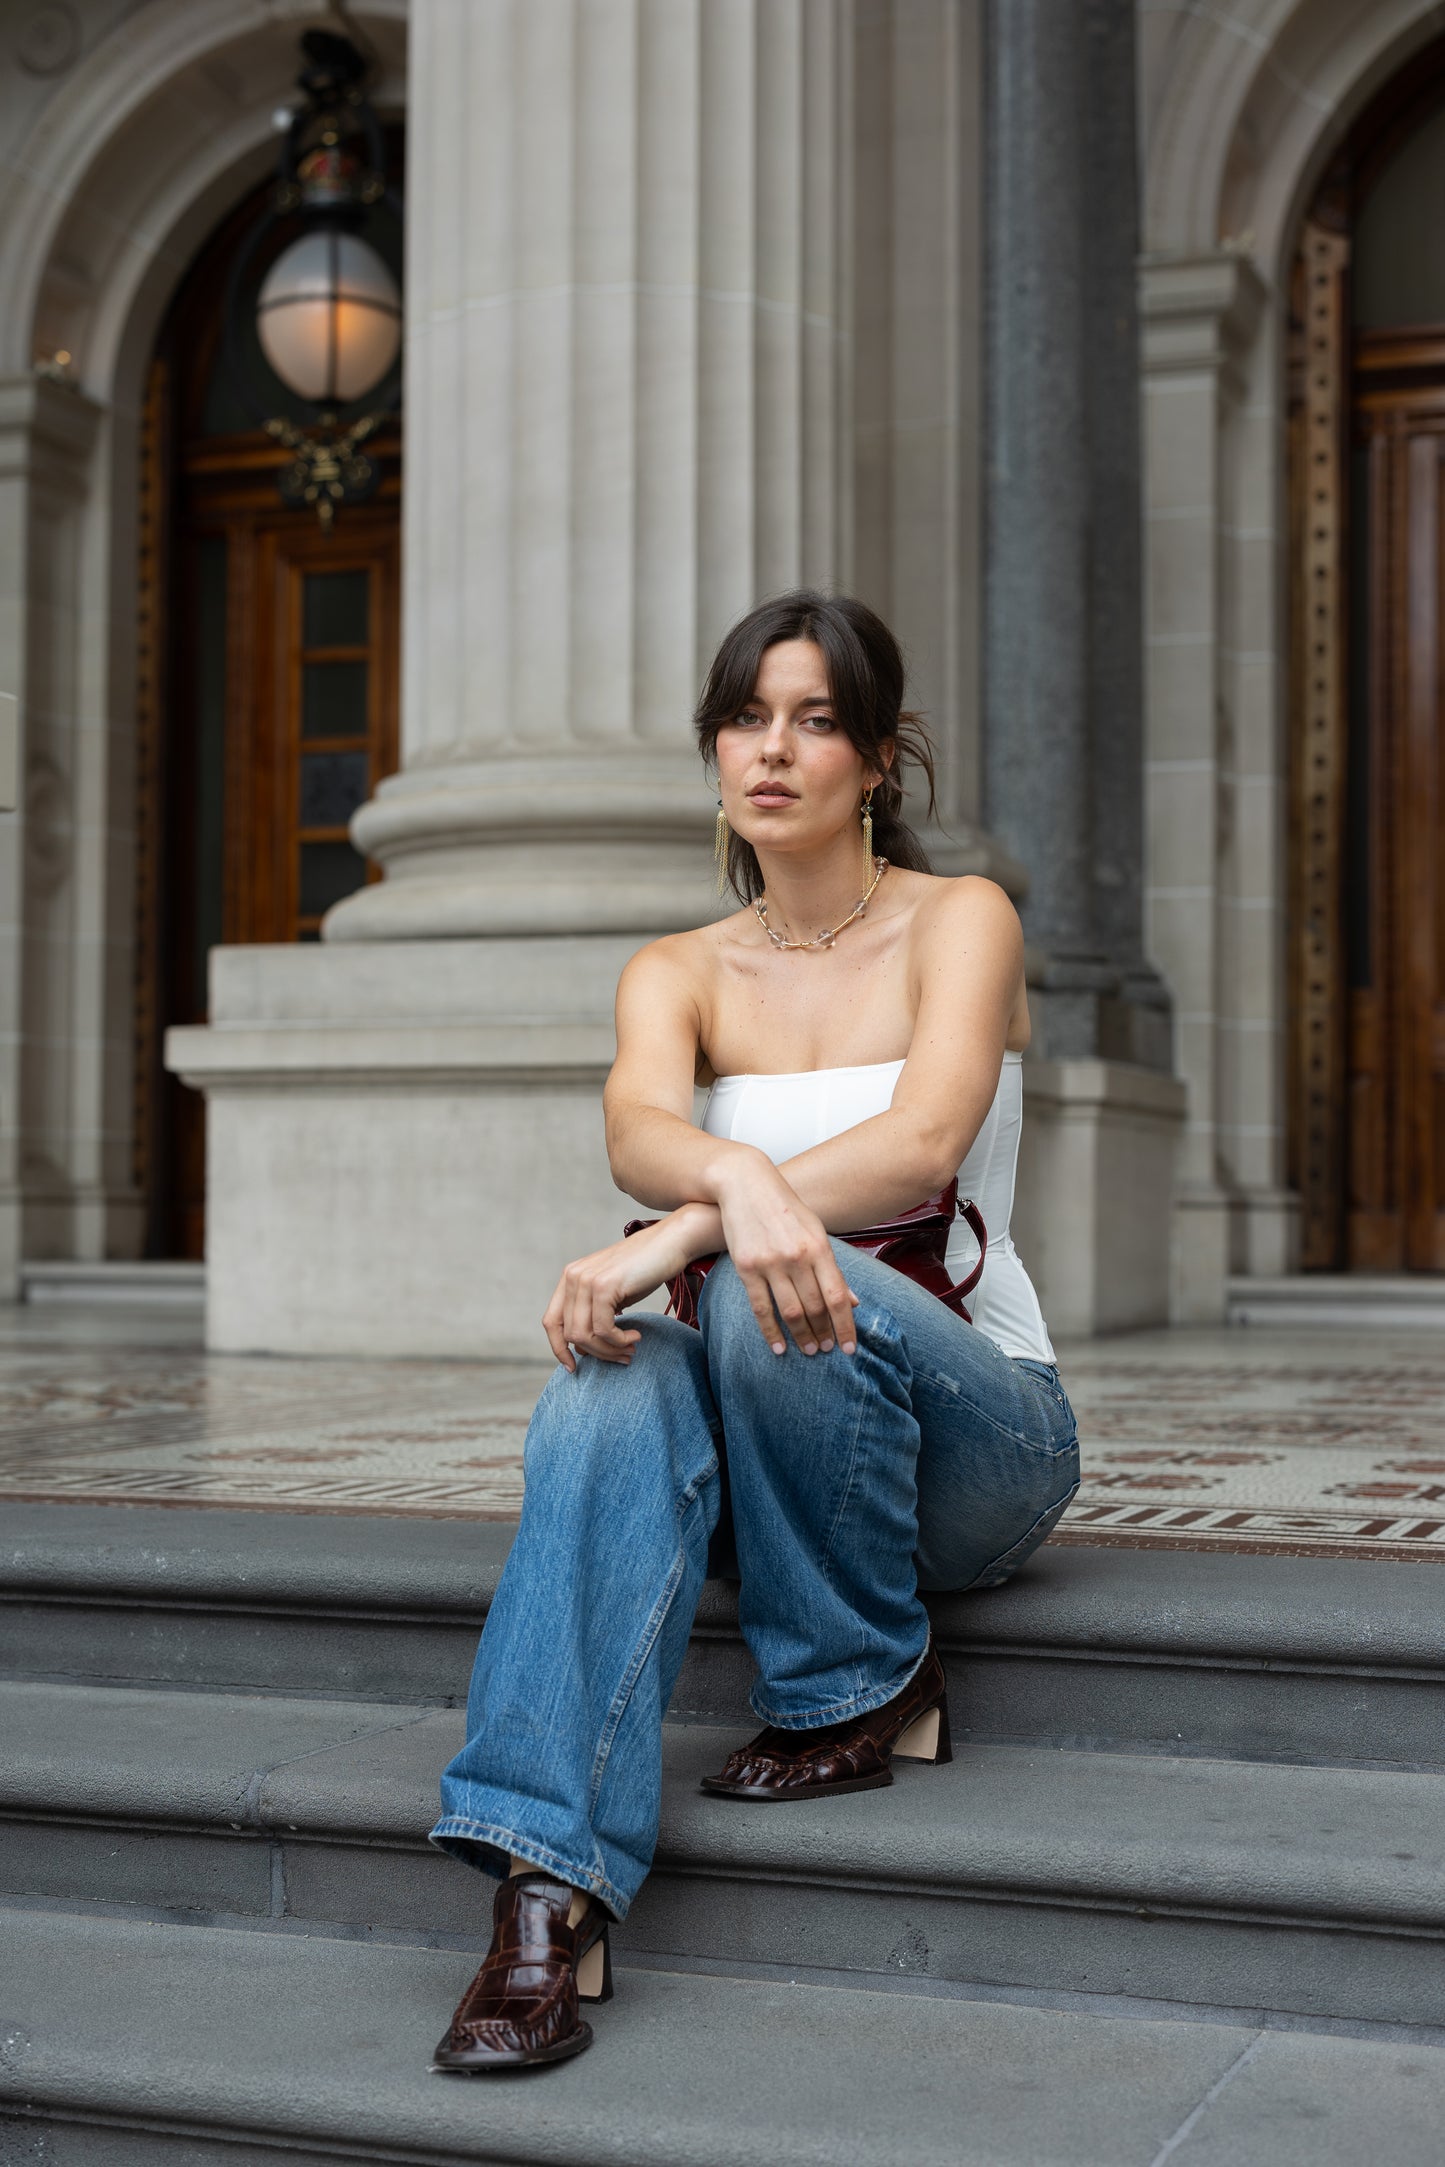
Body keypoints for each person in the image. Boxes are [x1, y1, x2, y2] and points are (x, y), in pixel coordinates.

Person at [428, 590, 1079, 2072]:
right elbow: (635, 1129)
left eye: (814, 719)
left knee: (780, 1293)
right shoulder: (677, 969)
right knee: (605, 1395)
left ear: (877, 758)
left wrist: (696, 1225)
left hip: (974, 1436)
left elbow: (920, 1147)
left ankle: (858, 1672)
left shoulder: (956, 919)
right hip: (761, 1437)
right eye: (743, 718)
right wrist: (721, 1181)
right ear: (714, 750)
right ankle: (544, 1894)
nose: (770, 750)